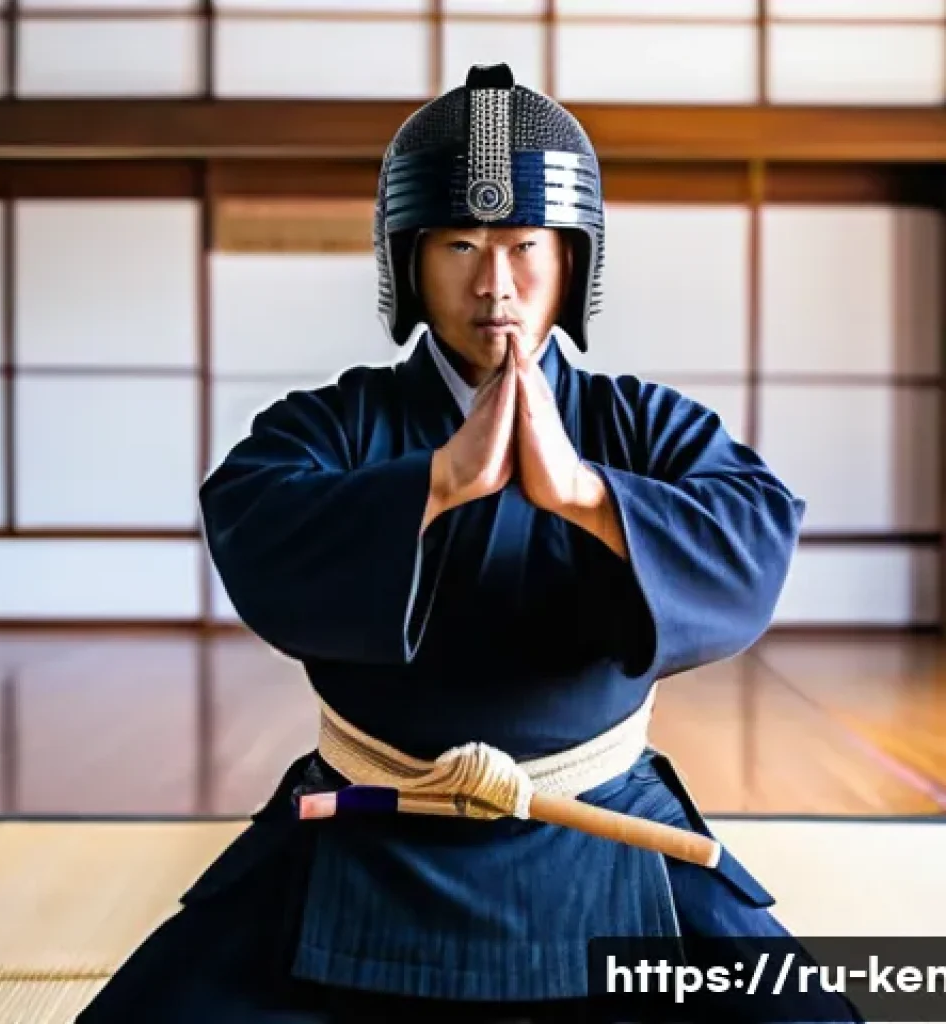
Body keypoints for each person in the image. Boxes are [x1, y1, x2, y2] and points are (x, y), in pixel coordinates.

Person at [76, 64, 863, 1022]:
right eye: (459, 245)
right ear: (407, 263)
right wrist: (440, 482)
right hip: (370, 824)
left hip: (605, 824)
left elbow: (752, 529)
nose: (495, 284)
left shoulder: (643, 425)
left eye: (525, 245)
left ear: (573, 262)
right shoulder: (333, 424)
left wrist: (587, 497)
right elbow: (256, 515)